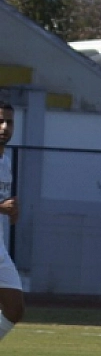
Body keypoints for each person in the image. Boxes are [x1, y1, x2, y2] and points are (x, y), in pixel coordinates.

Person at [0, 102, 24, 343]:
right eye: (0, 121)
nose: (5, 127)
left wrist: (11, 208)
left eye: (9, 122)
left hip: (0, 250)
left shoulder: (5, 162)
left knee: (14, 309)